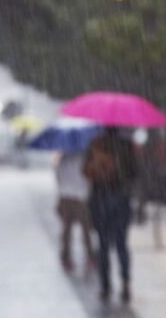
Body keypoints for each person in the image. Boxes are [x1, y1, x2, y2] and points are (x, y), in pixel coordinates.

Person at [83, 127, 137, 303]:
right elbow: (136, 172)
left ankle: (105, 286)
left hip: (100, 199)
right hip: (121, 198)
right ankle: (126, 283)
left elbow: (84, 171)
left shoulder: (95, 144)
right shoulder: (127, 146)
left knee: (103, 244)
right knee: (122, 244)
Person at [55, 150, 94, 270]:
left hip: (65, 196)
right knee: (86, 229)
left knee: (66, 229)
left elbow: (58, 176)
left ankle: (65, 257)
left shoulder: (63, 159)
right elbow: (89, 177)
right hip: (81, 197)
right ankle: (90, 256)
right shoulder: (85, 158)